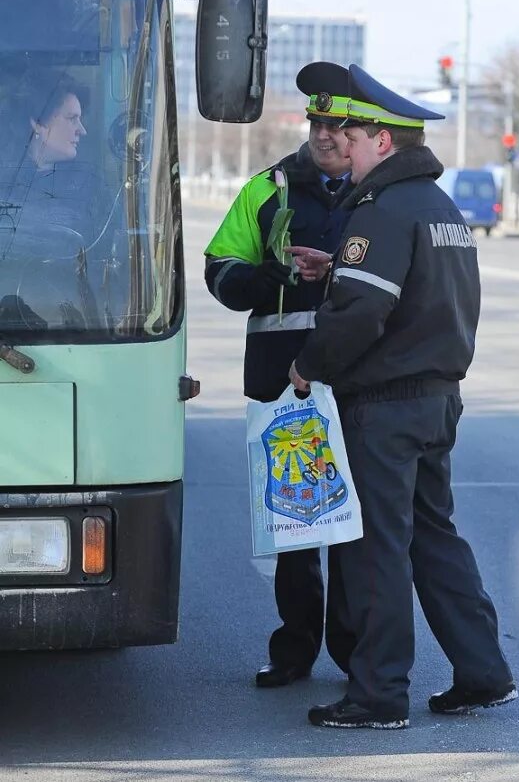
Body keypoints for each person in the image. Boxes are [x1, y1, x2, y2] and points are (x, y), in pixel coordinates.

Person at [288, 65, 517, 729]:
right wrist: (342, 267)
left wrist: (308, 363)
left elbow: (362, 313)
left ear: (382, 142)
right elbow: (418, 291)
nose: (340, 150)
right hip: (436, 398)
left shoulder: (382, 210)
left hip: (385, 406)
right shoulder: (440, 209)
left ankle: (379, 694)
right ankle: (484, 673)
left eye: (350, 138)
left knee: (379, 550)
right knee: (433, 539)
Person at [203, 62, 356, 687]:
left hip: (351, 383)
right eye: (316, 121)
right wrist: (270, 275)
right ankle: (294, 653)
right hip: (278, 383)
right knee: (294, 527)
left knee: (354, 531)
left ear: (360, 131)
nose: (323, 133)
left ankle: (354, 655)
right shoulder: (266, 189)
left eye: (336, 123)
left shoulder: (377, 195)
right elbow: (218, 271)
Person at [0, 70, 91, 237]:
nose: (82, 130)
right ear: (37, 123)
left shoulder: (91, 187)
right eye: (72, 118)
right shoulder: (4, 181)